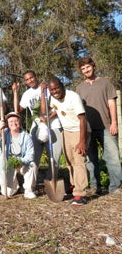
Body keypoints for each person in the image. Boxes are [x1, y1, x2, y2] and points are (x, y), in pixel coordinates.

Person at [76, 56, 122, 195]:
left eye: (88, 67)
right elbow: (78, 110)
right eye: (83, 68)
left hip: (106, 127)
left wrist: (114, 123)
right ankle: (96, 186)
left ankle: (116, 187)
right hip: (88, 129)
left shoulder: (105, 83)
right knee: (91, 160)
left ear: (93, 66)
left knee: (112, 158)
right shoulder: (79, 88)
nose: (86, 70)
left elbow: (111, 104)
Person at [41, 76, 89, 206]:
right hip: (66, 131)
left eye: (57, 88)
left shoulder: (73, 97)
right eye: (52, 90)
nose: (55, 91)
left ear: (62, 86)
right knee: (69, 161)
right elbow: (44, 111)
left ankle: (81, 194)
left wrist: (82, 141)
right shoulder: (52, 97)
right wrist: (42, 92)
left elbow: (83, 120)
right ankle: (74, 185)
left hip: (79, 130)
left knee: (79, 161)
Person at [12, 70, 62, 182]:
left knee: (54, 157)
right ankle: (31, 184)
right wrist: (15, 93)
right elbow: (18, 110)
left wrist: (48, 118)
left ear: (36, 76)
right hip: (37, 128)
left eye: (31, 77)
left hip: (53, 126)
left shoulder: (48, 88)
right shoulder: (27, 94)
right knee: (33, 156)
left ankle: (51, 181)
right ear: (25, 81)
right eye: (27, 79)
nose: (30, 80)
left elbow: (58, 106)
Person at [0, 112, 36, 198]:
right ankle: (16, 184)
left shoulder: (26, 137)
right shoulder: (3, 133)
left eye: (16, 121)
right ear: (7, 124)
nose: (14, 123)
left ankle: (28, 190)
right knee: (7, 192)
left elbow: (30, 155)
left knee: (32, 165)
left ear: (19, 122)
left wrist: (20, 162)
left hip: (22, 163)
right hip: (8, 165)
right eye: (11, 121)